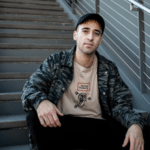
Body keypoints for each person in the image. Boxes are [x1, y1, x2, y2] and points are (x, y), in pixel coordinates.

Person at [21, 13, 147, 150]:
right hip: (62, 124)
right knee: (33, 117)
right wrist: (41, 102)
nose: (90, 37)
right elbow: (30, 87)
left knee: (142, 132)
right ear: (75, 35)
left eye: (96, 33)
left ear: (100, 40)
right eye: (85, 31)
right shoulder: (56, 61)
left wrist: (135, 124)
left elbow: (122, 103)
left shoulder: (108, 68)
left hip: (98, 126)